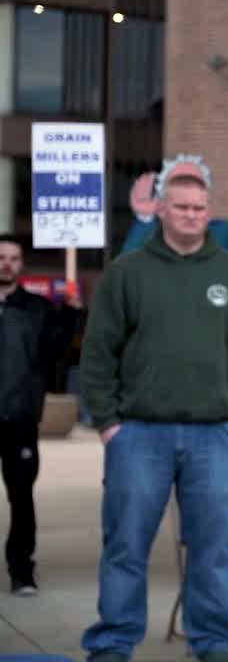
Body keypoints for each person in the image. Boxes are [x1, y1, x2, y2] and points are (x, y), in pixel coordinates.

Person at [79, 158, 228, 662]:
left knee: (212, 552)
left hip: (217, 438)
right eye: (181, 207)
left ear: (209, 212)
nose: (190, 215)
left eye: (199, 208)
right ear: (161, 209)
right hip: (138, 435)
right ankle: (114, 642)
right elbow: (98, 354)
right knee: (125, 547)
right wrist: (108, 424)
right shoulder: (127, 274)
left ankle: (211, 642)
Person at [0, 234, 79, 595]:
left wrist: (73, 313)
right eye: (1, 257)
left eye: (14, 258)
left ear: (21, 265)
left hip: (19, 420)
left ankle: (21, 570)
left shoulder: (37, 308)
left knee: (21, 498)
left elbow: (57, 352)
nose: (6, 264)